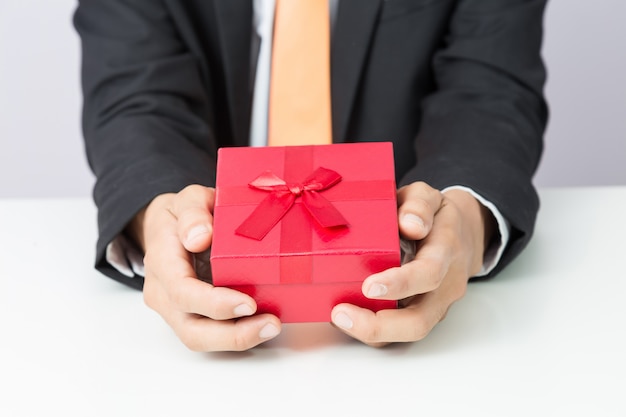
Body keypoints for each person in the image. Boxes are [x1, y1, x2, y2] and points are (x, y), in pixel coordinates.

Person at [73, 0, 548, 352]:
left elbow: (490, 89)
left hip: (405, 312)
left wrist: (463, 213)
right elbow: (133, 94)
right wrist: (159, 215)